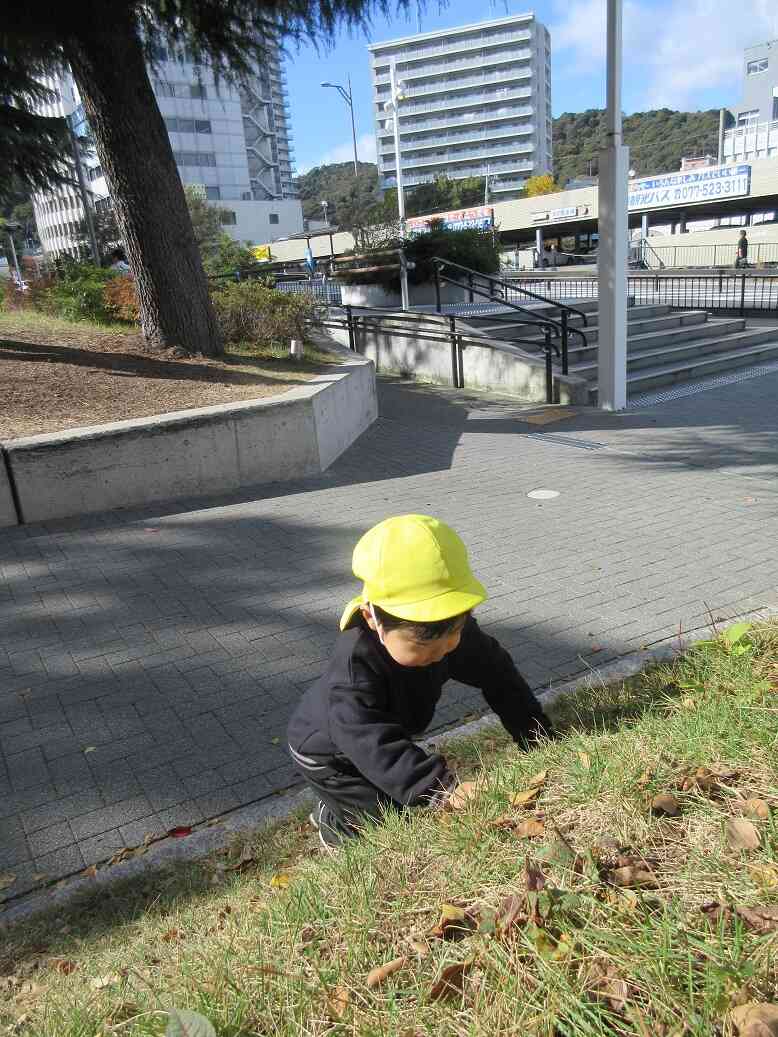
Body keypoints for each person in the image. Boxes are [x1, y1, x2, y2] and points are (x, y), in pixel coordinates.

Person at [287, 514, 554, 849]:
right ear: (373, 618)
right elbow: (373, 743)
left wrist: (535, 735)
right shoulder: (354, 675)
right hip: (332, 754)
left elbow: (499, 676)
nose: (443, 651)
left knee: (393, 795)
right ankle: (335, 821)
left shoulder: (446, 630)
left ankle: (344, 810)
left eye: (454, 634)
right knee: (380, 822)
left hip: (381, 731)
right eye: (424, 644)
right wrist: (442, 787)